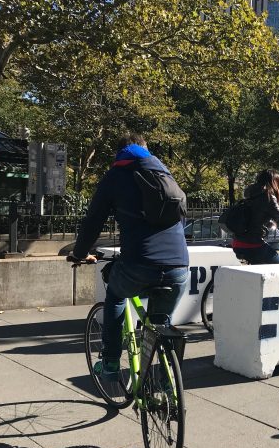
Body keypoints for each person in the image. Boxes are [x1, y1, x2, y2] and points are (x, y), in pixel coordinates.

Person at [69, 134, 189, 385]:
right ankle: (168, 385)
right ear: (146, 150)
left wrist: (80, 254)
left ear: (120, 152)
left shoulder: (116, 176)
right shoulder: (166, 175)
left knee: (115, 295)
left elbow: (93, 222)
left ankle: (111, 361)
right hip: (179, 265)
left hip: (138, 263)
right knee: (160, 324)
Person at [230, 169, 279, 264]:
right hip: (252, 244)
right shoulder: (268, 197)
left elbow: (253, 216)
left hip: (237, 242)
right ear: (274, 182)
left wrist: (268, 223)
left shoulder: (250, 195)